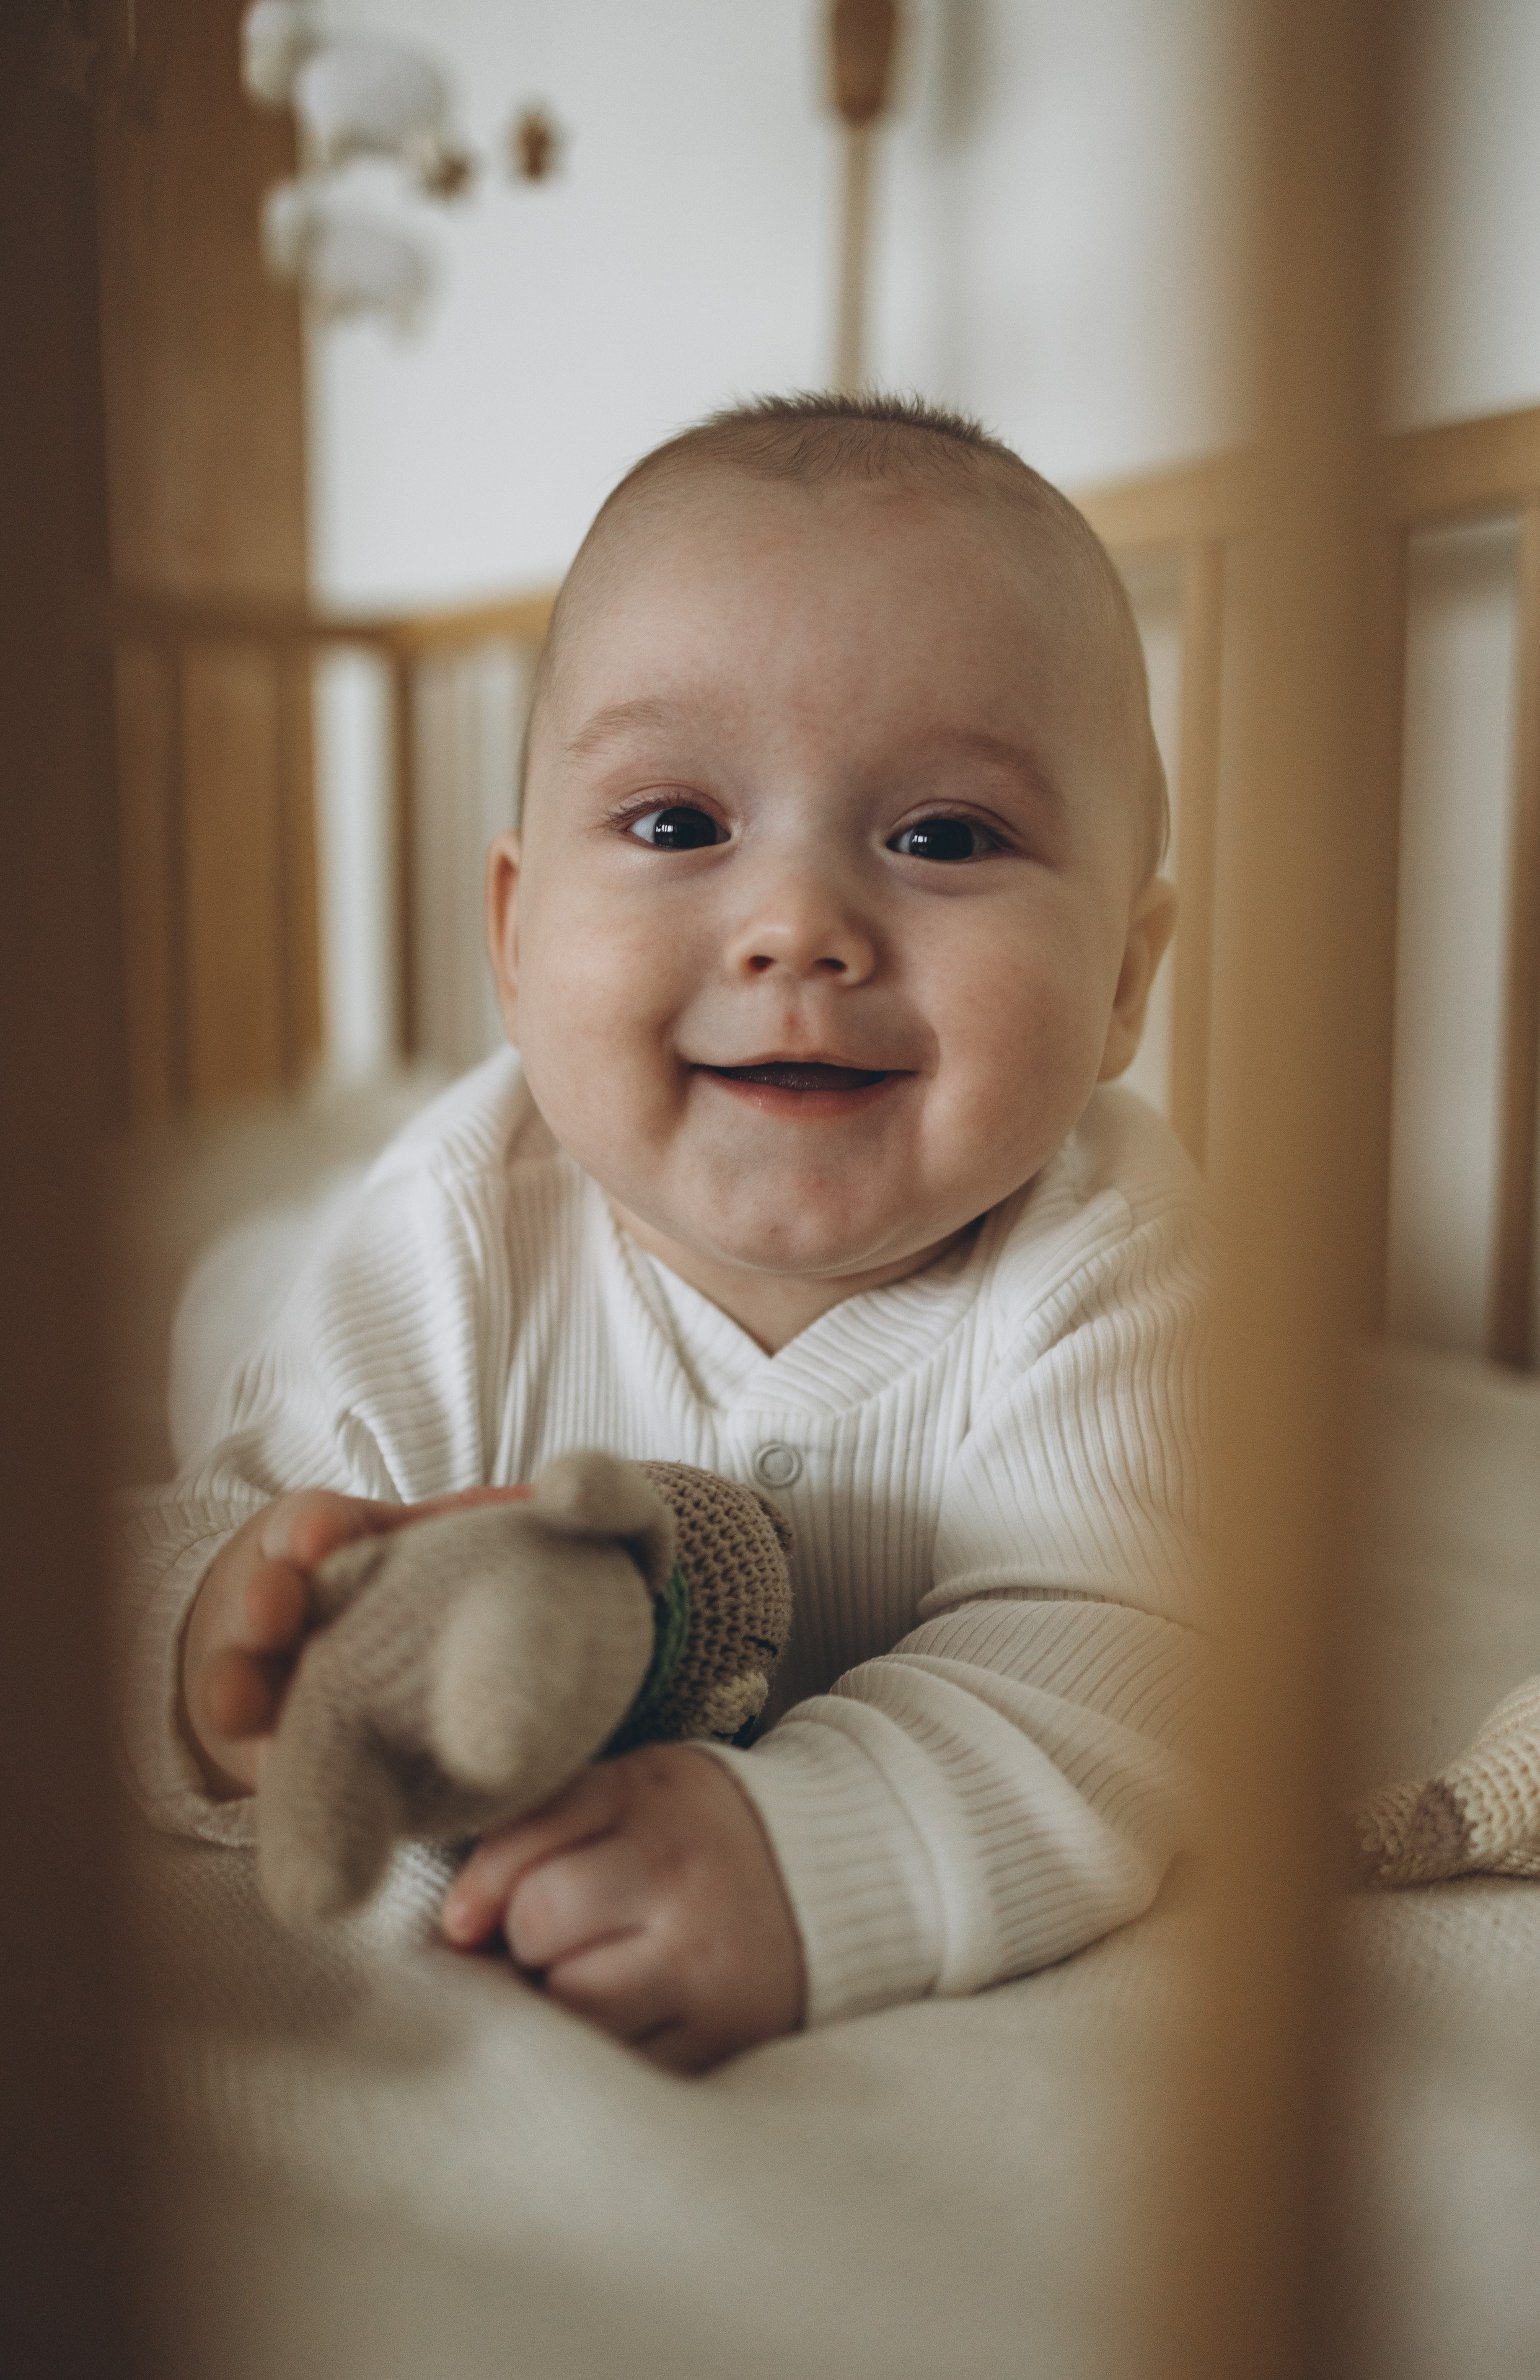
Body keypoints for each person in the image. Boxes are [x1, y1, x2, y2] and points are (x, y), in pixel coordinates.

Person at [121, 392, 1207, 2074]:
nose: (796, 927)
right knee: (221, 1293)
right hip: (285, 1274)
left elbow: (1111, 1674)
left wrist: (803, 1857)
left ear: (1125, 983)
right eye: (680, 824)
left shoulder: (1116, 1249)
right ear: (514, 927)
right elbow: (166, 1577)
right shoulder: (455, 1230)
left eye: (942, 837)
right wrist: (215, 1660)